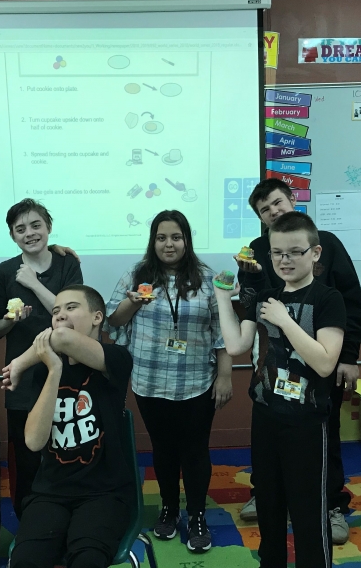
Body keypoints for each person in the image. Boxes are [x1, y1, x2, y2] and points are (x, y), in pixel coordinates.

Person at [237, 178, 361, 543]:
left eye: (277, 203)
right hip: (276, 369)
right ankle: (266, 494)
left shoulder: (323, 243)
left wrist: (350, 356)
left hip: (322, 361)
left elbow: (351, 301)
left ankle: (332, 506)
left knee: (325, 437)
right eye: (265, 210)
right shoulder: (259, 249)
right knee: (270, 436)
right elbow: (258, 301)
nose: (274, 211)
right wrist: (247, 280)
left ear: (292, 199)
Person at [215, 211, 345, 568]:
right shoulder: (266, 297)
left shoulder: (327, 298)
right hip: (267, 414)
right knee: (269, 506)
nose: (284, 260)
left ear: (315, 253)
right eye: (276, 253)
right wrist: (224, 300)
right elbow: (238, 344)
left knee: (307, 510)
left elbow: (324, 363)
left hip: (306, 421)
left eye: (294, 252)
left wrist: (286, 321)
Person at [106, 210, 232, 553]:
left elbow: (221, 333)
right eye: (161, 238)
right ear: (153, 241)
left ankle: (196, 516)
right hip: (149, 381)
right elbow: (112, 323)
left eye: (176, 237)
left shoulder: (207, 279)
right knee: (162, 450)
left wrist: (224, 376)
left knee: (193, 451)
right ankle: (168, 508)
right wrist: (131, 304)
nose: (169, 244)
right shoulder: (136, 275)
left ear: (186, 240)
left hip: (196, 382)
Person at [2, 286, 134, 568]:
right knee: (25, 561)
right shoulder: (45, 368)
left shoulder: (116, 359)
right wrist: (53, 372)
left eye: (71, 307)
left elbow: (61, 337)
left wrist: (18, 363)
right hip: (50, 493)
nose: (60, 315)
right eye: (55, 311)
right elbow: (34, 442)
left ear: (98, 317)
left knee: (87, 559)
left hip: (104, 493)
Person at [0, 199, 83, 520]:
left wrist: (33, 283)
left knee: (68, 451)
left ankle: (67, 517)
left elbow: (70, 316)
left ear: (48, 227)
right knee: (27, 458)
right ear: (13, 235)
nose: (30, 233)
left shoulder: (67, 264)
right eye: (21, 229)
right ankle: (29, 521)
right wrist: (11, 320)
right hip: (23, 380)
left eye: (36, 225)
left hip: (66, 374)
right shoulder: (2, 272)